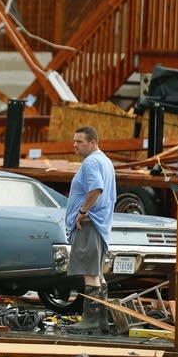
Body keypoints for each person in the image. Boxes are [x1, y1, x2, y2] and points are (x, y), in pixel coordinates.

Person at [64, 126, 116, 335]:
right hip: (100, 224)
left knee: (89, 274)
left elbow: (97, 188)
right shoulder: (105, 160)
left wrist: (82, 211)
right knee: (97, 274)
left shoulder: (91, 162)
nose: (74, 145)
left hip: (89, 224)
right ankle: (101, 321)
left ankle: (90, 321)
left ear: (93, 142)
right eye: (74, 141)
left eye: (80, 141)